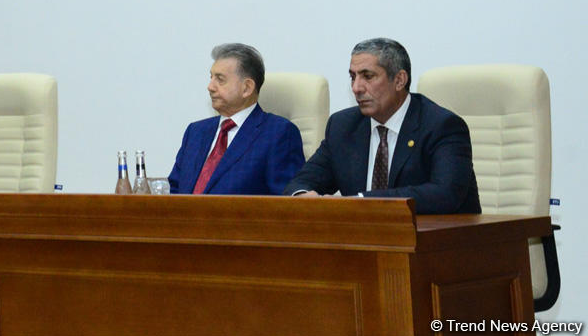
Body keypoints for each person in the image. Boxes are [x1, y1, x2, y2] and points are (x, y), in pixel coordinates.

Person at [282, 38, 480, 214]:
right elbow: (301, 182)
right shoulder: (343, 126)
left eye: (367, 76)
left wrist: (362, 202)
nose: (356, 88)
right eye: (353, 77)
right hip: (365, 244)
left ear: (400, 80)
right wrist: (302, 196)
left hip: (436, 245)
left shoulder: (441, 126)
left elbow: (445, 193)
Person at [168, 43, 305, 195]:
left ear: (247, 88)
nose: (210, 86)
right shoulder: (195, 132)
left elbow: (285, 202)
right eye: (211, 77)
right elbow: (174, 189)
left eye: (220, 79)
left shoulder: (278, 133)